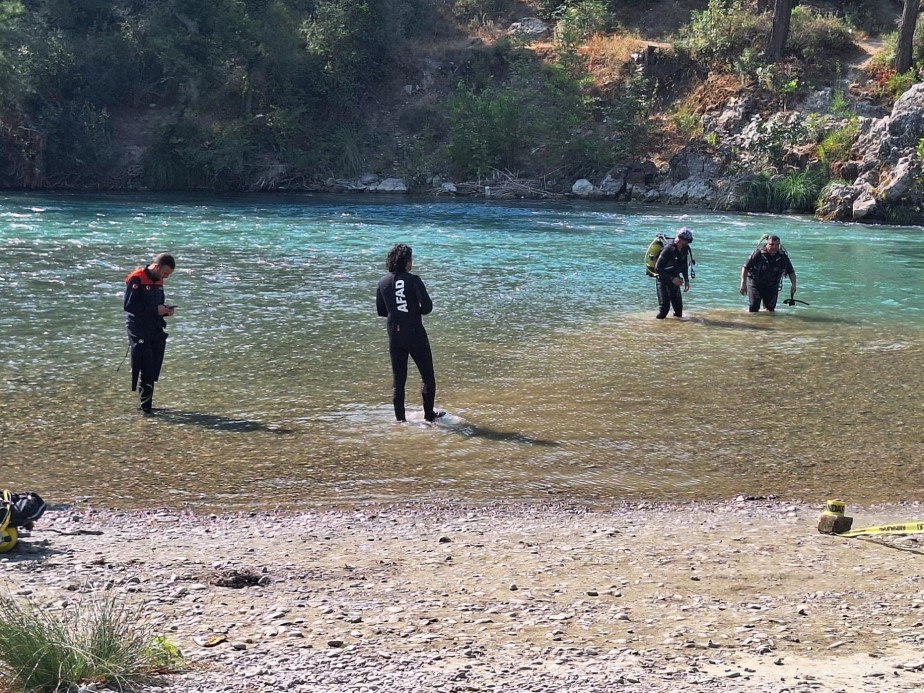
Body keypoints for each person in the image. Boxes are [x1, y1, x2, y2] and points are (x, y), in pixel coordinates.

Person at [376, 243, 444, 423]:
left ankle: (400, 420)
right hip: (414, 333)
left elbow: (381, 311)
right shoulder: (414, 280)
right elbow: (427, 307)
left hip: (395, 335)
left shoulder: (383, 282)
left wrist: (397, 310)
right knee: (427, 375)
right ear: (407, 262)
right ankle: (429, 415)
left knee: (398, 380)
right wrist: (413, 310)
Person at [124, 253, 176, 415]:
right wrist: (155, 310)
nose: (166, 277)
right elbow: (129, 306)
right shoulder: (137, 278)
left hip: (154, 329)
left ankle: (147, 405)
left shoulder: (158, 280)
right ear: (157, 266)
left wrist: (165, 311)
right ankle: (146, 409)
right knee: (145, 367)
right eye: (165, 273)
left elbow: (157, 305)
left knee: (153, 368)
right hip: (138, 329)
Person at [740, 235, 797, 312]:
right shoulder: (758, 254)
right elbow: (745, 268)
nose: (774, 247)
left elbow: (791, 272)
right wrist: (743, 283)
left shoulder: (783, 257)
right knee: (753, 308)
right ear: (767, 244)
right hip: (756, 285)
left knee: (770, 310)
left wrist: (793, 285)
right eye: (771, 244)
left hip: (772, 286)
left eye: (777, 245)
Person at [654, 227, 694, 319]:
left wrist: (687, 280)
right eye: (687, 241)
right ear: (680, 239)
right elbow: (657, 268)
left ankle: (675, 331)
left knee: (679, 311)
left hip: (675, 279)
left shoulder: (685, 249)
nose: (688, 243)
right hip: (663, 280)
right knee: (664, 310)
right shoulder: (668, 249)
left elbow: (684, 265)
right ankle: (656, 328)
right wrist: (672, 279)